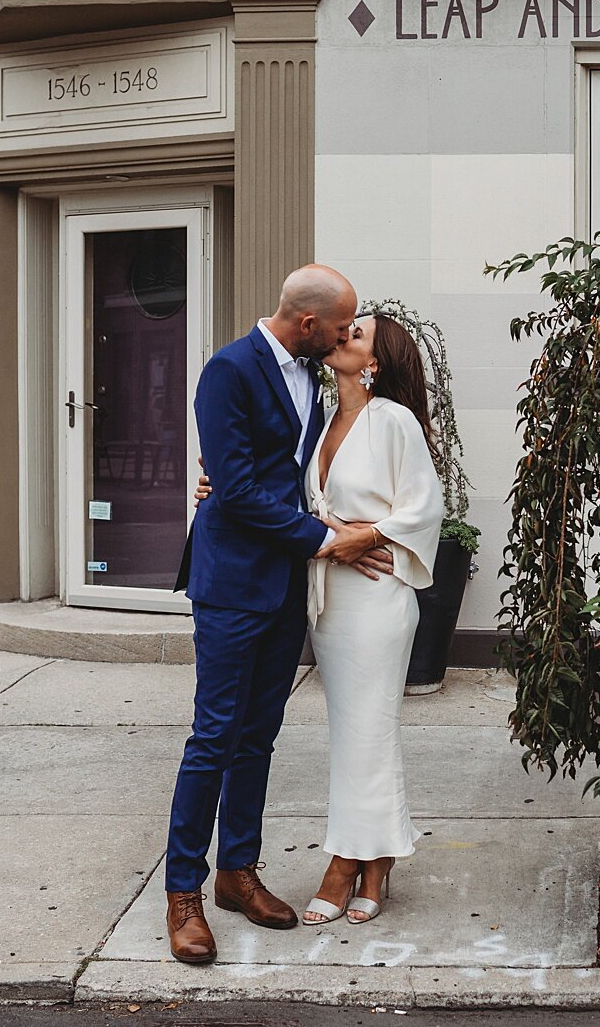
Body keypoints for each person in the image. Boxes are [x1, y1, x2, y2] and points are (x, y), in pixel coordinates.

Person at [166, 265, 393, 965]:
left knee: (257, 737)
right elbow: (233, 492)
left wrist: (341, 525)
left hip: (284, 586)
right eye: (341, 324)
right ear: (307, 325)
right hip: (232, 583)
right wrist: (330, 541)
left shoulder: (314, 380)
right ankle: (183, 893)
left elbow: (288, 476)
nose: (346, 334)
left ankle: (238, 872)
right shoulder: (228, 371)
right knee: (214, 736)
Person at [194, 310, 444, 927]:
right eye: (341, 329)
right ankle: (378, 855)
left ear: (377, 361)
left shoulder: (395, 421)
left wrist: (372, 535)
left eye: (354, 334)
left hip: (376, 597)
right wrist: (218, 489)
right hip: (325, 598)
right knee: (354, 732)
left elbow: (425, 504)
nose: (340, 337)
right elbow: (274, 484)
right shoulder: (321, 419)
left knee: (369, 728)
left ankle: (347, 861)